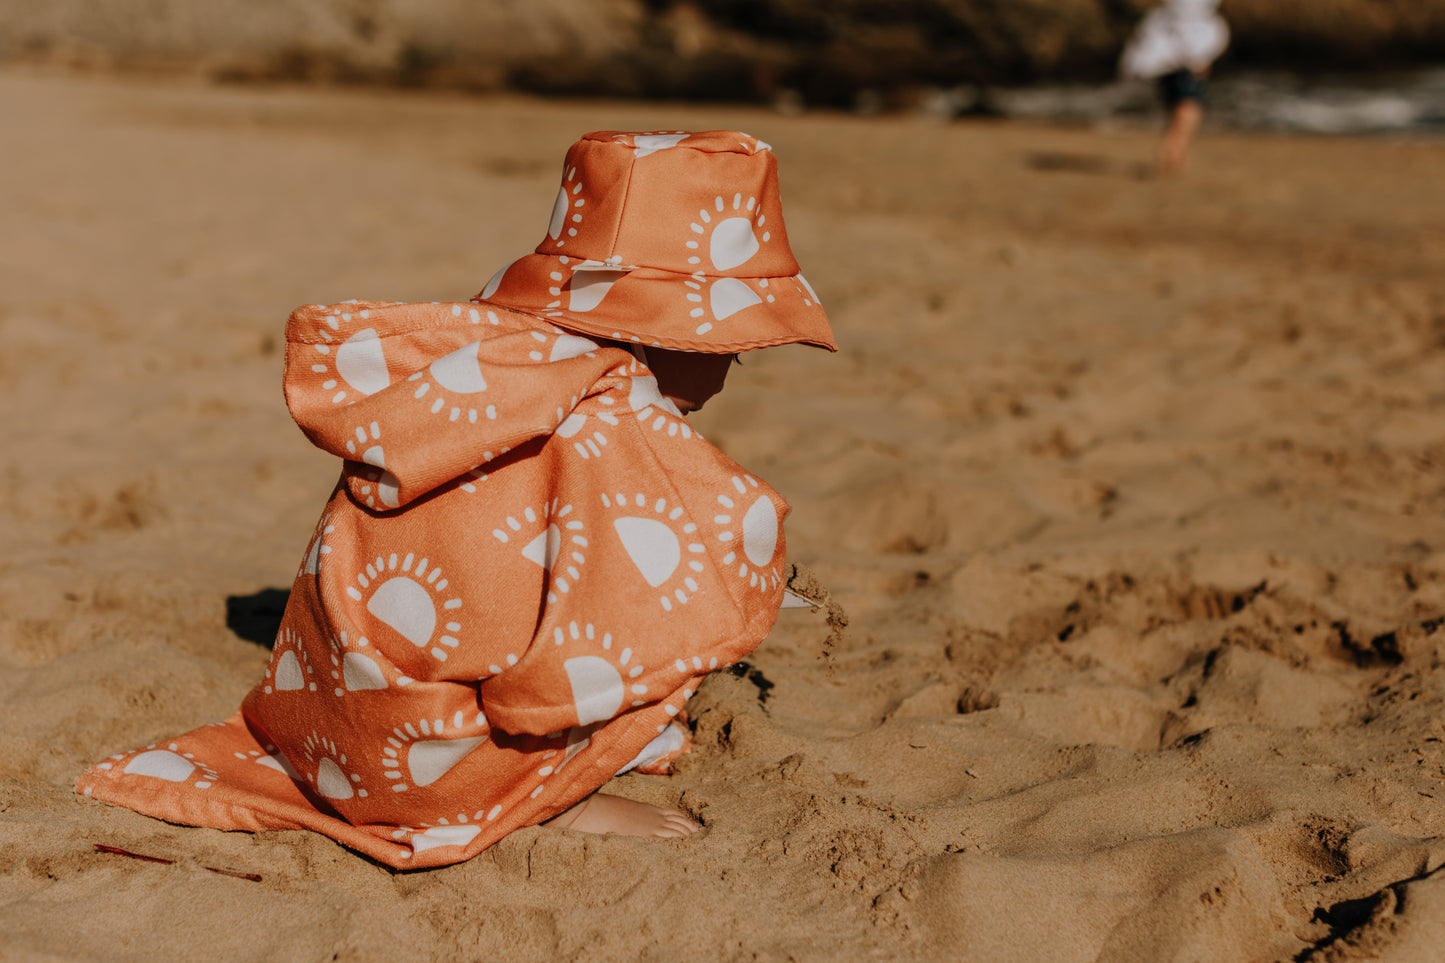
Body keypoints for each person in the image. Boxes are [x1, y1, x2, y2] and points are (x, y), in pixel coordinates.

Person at [75, 130, 835, 868]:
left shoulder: (493, 371)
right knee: (660, 604)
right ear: (672, 336)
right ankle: (553, 798)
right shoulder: (607, 410)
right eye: (730, 348)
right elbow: (717, 535)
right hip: (436, 776)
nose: (732, 371)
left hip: (332, 726)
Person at [1119, 0, 1230, 175]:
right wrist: (1199, 58)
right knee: (1188, 107)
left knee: (1177, 108)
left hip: (1169, 62)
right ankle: (1173, 150)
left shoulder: (1163, 19)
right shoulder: (1190, 21)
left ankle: (1176, 151)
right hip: (1181, 64)